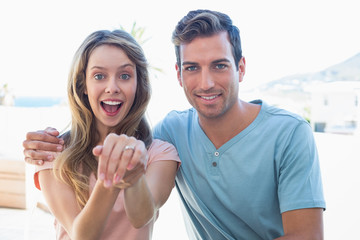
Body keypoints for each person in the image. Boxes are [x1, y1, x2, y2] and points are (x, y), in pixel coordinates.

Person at [23, 10, 325, 240]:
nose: (206, 83)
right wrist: (38, 145)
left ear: (240, 68)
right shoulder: (172, 132)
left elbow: (143, 211)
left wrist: (124, 173)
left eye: (219, 65)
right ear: (179, 75)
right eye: (193, 68)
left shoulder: (289, 133)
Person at [24, 29, 180, 240]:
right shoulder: (54, 153)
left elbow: (142, 217)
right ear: (83, 85)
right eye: (99, 76)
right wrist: (112, 178)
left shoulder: (160, 154)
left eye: (125, 76)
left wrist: (132, 177)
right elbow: (82, 235)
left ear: (138, 85)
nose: (112, 87)